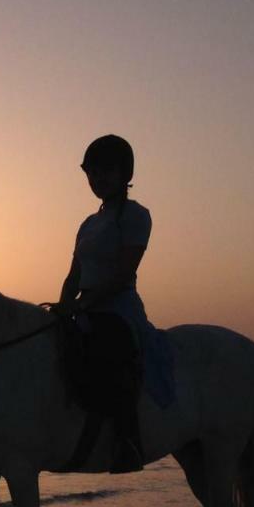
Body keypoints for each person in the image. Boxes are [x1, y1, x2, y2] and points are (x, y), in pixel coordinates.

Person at [54, 134, 152, 473]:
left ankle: (128, 441)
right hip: (85, 307)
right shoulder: (88, 224)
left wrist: (84, 304)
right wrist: (65, 303)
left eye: (105, 171)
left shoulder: (136, 216)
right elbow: (74, 275)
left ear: (124, 173)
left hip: (118, 308)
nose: (97, 179)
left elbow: (124, 274)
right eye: (92, 173)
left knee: (111, 347)